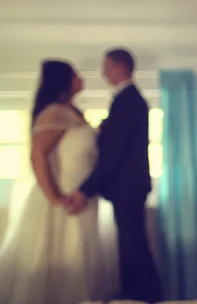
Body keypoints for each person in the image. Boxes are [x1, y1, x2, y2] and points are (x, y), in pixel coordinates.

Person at [0, 60, 118, 304]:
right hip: (65, 196)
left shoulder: (73, 111)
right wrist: (54, 197)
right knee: (64, 251)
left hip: (83, 195)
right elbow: (37, 156)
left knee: (81, 252)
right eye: (76, 74)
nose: (81, 78)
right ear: (64, 80)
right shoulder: (54, 112)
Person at [66, 48, 163, 302]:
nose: (103, 72)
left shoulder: (127, 100)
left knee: (133, 247)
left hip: (127, 187)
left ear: (120, 67)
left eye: (106, 66)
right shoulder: (129, 99)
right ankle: (138, 296)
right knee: (132, 245)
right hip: (131, 186)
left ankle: (142, 297)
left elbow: (115, 153)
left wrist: (85, 189)